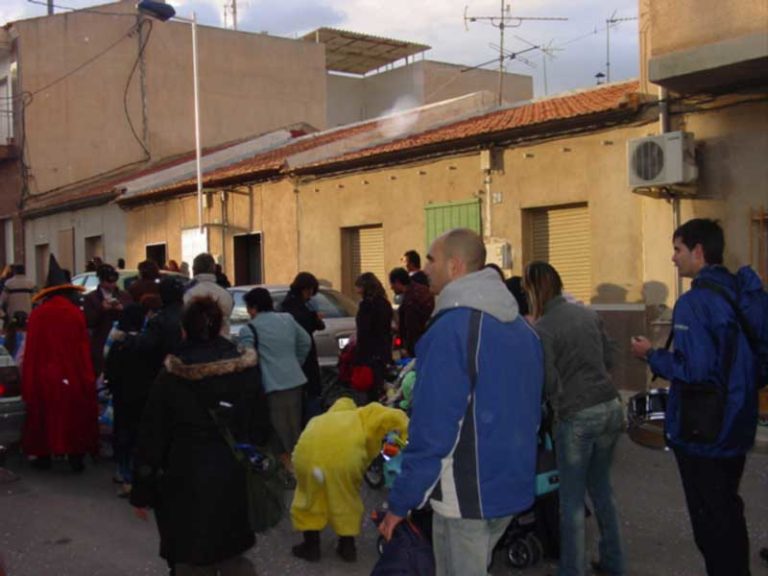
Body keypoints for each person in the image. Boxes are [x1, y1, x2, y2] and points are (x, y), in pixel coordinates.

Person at [379, 228, 543, 576]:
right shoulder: (522, 328)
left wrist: (401, 501)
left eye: (431, 259)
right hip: (510, 485)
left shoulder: (451, 329)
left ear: (454, 266)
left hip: (466, 495)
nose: (424, 268)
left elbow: (434, 427)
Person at [630, 218, 768, 576]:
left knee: (711, 524)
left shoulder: (696, 302)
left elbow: (696, 370)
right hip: (737, 422)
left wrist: (651, 355)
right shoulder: (741, 291)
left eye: (677, 250)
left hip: (705, 431)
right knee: (728, 510)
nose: (673, 258)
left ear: (698, 251)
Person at [131, 297, 269, 576]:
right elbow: (260, 427)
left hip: (184, 476)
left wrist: (142, 489)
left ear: (184, 329)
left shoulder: (171, 375)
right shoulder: (244, 369)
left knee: (191, 556)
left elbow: (152, 435)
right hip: (231, 471)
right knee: (230, 550)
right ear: (219, 327)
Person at [525, 261, 625, 576]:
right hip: (610, 407)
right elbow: (610, 358)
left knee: (570, 501)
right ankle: (614, 563)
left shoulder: (543, 328)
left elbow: (548, 383)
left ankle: (572, 569)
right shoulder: (587, 313)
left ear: (533, 290)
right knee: (602, 490)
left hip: (576, 415)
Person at [290, 396, 409, 563]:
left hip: (307, 459)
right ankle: (347, 548)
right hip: (343, 461)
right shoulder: (362, 414)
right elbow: (397, 417)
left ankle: (311, 546)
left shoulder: (318, 419)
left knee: (309, 497)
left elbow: (302, 442)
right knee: (345, 498)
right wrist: (397, 446)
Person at [21, 254, 97, 473]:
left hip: (44, 374)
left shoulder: (38, 315)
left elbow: (31, 351)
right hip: (70, 373)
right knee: (73, 415)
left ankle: (44, 456)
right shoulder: (74, 314)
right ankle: (75, 456)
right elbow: (82, 348)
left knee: (45, 415)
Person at [238, 287, 311, 474]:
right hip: (295, 380)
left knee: (278, 431)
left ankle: (288, 470)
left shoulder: (249, 329)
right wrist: (296, 361)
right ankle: (300, 465)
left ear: (253, 308)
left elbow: (247, 359)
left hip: (270, 385)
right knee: (294, 428)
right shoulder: (287, 319)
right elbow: (305, 341)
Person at [281, 272, 326, 423]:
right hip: (302, 357)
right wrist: (314, 318)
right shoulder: (293, 306)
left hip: (301, 357)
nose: (311, 296)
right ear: (306, 289)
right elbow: (305, 329)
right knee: (308, 395)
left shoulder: (296, 304)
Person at [83, 263, 132, 377]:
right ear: (101, 280)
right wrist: (102, 309)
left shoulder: (124, 296)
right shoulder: (91, 298)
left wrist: (122, 310)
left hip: (120, 343)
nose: (112, 284)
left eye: (114, 281)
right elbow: (88, 322)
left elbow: (133, 317)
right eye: (108, 281)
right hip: (101, 342)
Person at [353, 272, 393, 402]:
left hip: (369, 353)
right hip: (383, 351)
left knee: (369, 392)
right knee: (380, 388)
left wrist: (358, 356)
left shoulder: (367, 305)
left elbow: (364, 332)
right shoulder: (385, 303)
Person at [184, 253, 234, 338]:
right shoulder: (225, 294)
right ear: (214, 268)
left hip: (196, 345)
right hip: (223, 344)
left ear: (194, 270)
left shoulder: (189, 294)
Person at [388, 267, 434, 357]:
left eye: (392, 284)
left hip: (417, 345)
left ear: (398, 282)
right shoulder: (422, 290)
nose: (391, 287)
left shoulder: (411, 299)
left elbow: (412, 327)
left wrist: (408, 348)